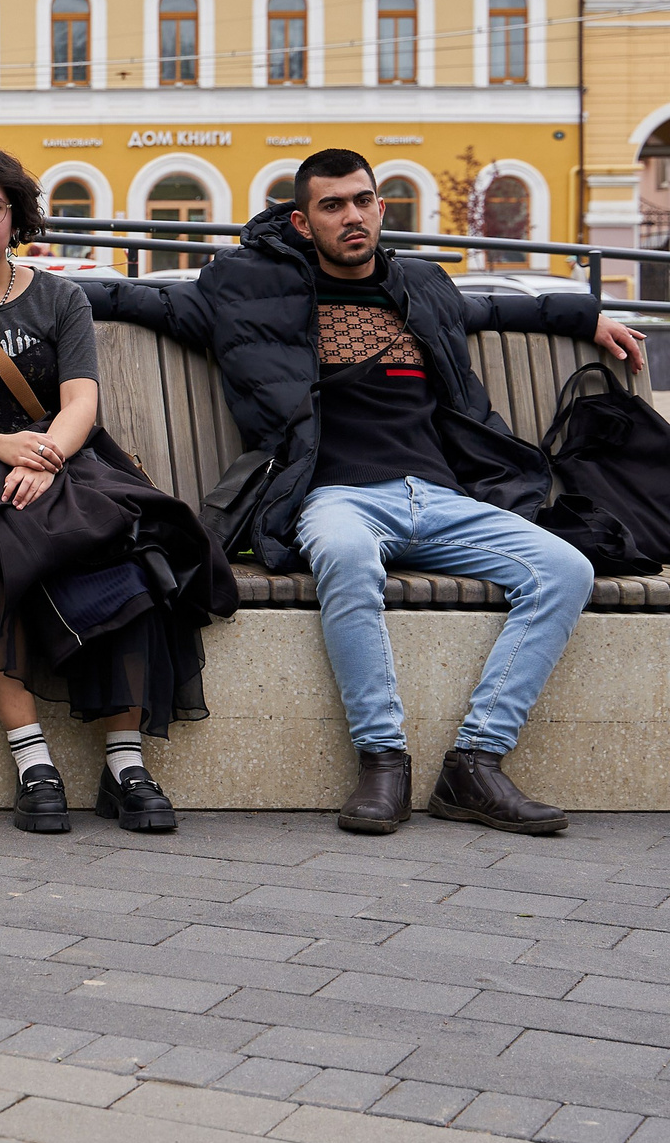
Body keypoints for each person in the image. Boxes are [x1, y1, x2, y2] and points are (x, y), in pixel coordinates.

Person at [86, 148, 644, 836]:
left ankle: (475, 761)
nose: (351, 216)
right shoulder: (249, 293)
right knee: (346, 556)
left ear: (381, 208)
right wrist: (9, 288)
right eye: (332, 205)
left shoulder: (419, 288)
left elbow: (492, 306)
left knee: (565, 568)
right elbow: (130, 298)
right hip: (335, 497)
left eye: (362, 201)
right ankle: (383, 761)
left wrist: (581, 315)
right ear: (302, 219)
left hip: (439, 496)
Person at [0, 145, 221, 836]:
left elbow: (80, 404)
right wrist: (6, 446)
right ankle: (33, 760)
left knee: (127, 561)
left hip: (61, 473)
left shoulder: (60, 297)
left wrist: (44, 457)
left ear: (16, 217)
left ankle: (125, 765)